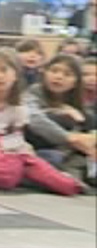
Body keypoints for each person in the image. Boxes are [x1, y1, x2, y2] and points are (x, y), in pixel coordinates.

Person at [0, 49, 82, 195]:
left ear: (15, 75)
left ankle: (69, 184)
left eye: (4, 70)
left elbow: (15, 137)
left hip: (3, 149)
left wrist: (14, 148)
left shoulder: (18, 106)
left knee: (34, 161)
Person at [23, 55, 95, 184]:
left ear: (75, 82)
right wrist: (69, 137)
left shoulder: (80, 107)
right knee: (53, 157)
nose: (59, 77)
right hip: (38, 149)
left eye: (67, 74)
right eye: (54, 71)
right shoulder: (33, 93)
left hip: (71, 155)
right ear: (45, 72)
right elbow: (34, 119)